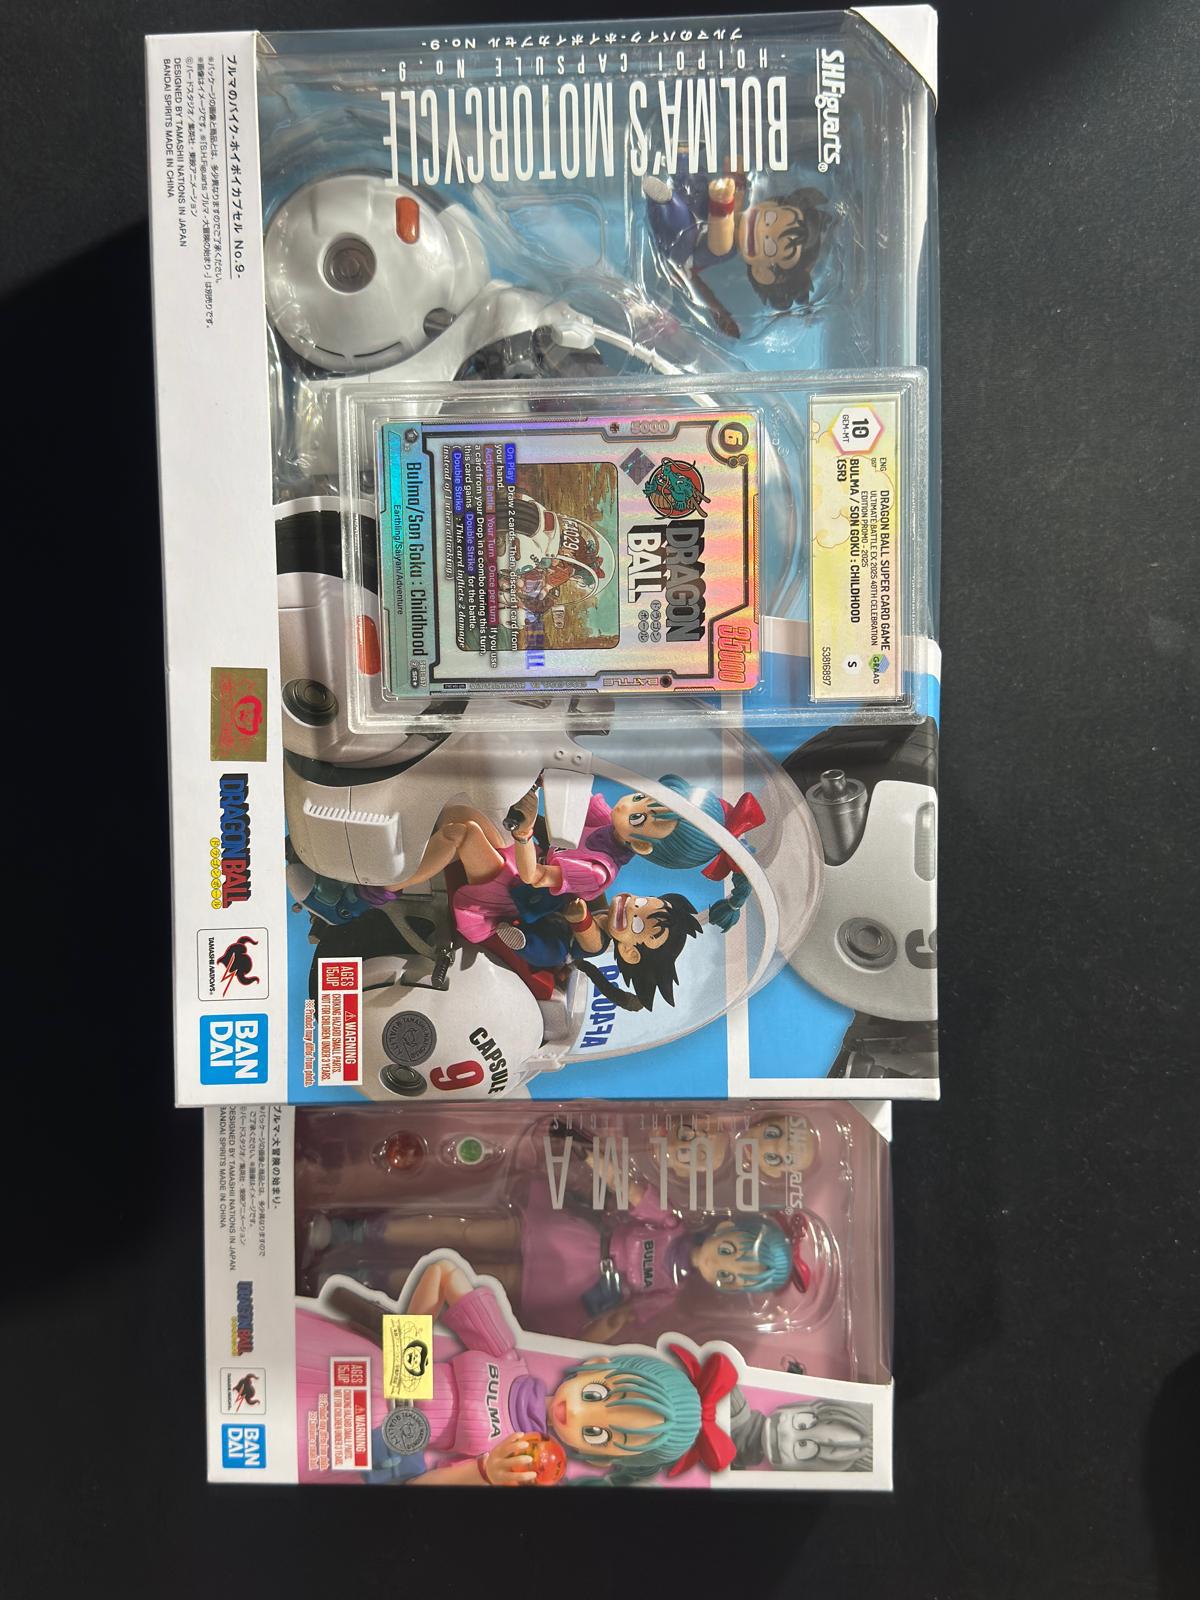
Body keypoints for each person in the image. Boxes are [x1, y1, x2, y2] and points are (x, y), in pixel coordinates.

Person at [297, 1259, 737, 1485]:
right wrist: (406, 1350)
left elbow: (420, 1484)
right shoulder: (504, 1355)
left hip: (361, 1439)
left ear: (600, 1459)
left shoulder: (517, 1457)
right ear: (597, 1366)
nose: (578, 1414)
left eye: (597, 1433)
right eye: (596, 1397)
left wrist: (485, 1471)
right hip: (358, 1368)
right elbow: (444, 1274)